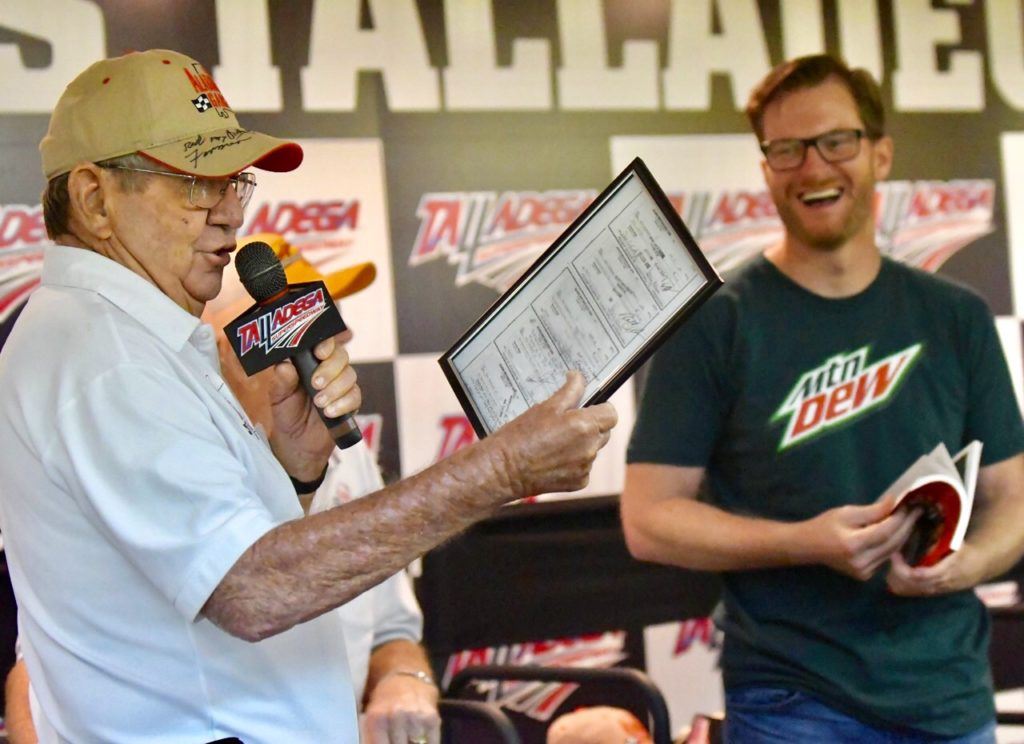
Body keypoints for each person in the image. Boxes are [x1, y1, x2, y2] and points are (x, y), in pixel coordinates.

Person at [0, 49, 617, 743]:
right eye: (197, 184)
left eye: (236, 183)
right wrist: (502, 470)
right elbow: (250, 591)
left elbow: (200, 573)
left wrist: (297, 473)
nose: (231, 214)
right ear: (93, 199)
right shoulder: (102, 357)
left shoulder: (131, 338)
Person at [621, 53, 1024, 743]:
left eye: (836, 142)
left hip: (949, 696)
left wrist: (969, 565)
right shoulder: (715, 323)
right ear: (766, 168)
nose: (812, 168)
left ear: (881, 153)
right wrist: (803, 543)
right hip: (792, 701)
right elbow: (649, 519)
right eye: (787, 150)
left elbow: (1013, 498)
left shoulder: (956, 316)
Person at [3, 237, 442, 744]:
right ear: (217, 348)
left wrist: (404, 681)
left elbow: (391, 628)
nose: (339, 332)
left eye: (325, 311)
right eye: (295, 325)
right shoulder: (153, 441)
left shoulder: (348, 451)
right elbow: (39, 667)